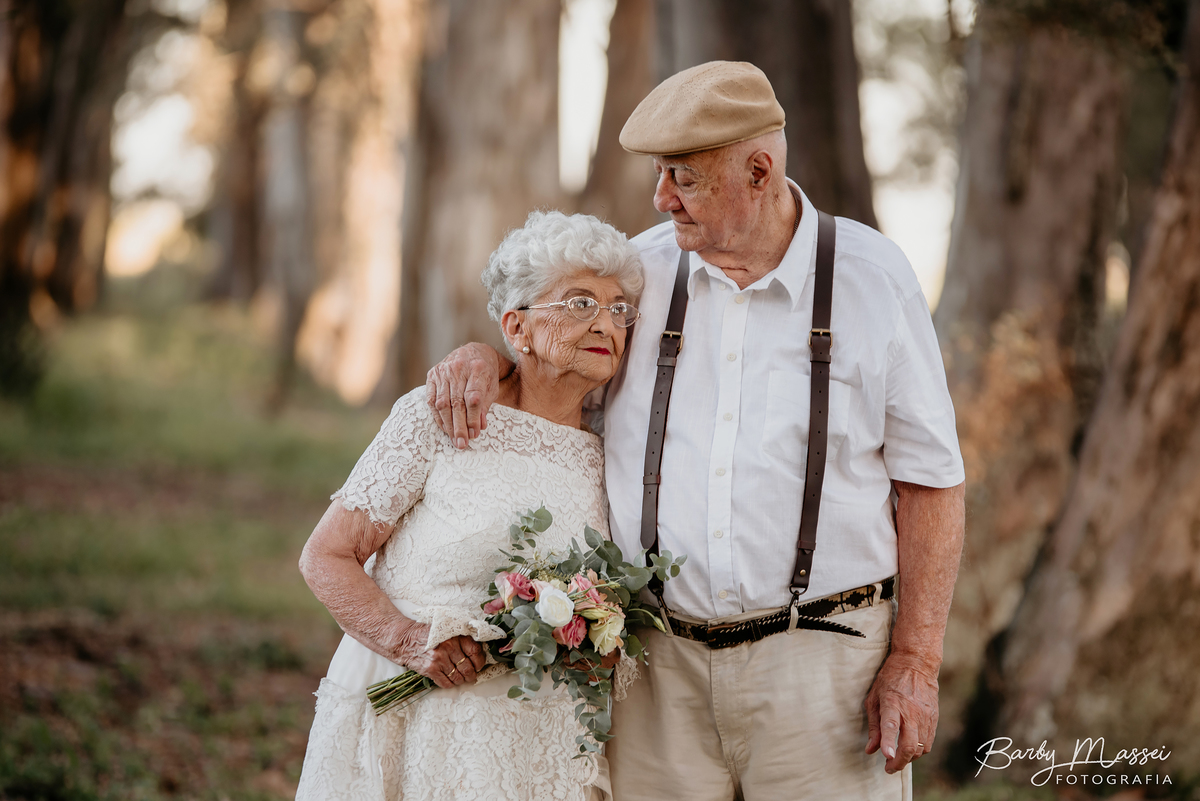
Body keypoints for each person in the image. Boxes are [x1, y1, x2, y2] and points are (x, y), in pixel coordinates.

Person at [426, 62, 966, 800]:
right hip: (655, 669)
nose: (660, 198)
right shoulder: (637, 276)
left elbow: (930, 480)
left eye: (683, 177)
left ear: (758, 170)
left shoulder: (874, 280)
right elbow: (546, 356)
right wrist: (483, 356)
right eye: (660, 175)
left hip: (827, 667)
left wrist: (916, 659)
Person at [294, 210, 644, 801]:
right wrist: (408, 640)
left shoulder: (617, 445)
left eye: (618, 309)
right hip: (418, 723)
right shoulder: (441, 415)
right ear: (519, 327)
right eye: (580, 303)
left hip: (541, 741)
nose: (606, 322)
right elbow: (326, 556)